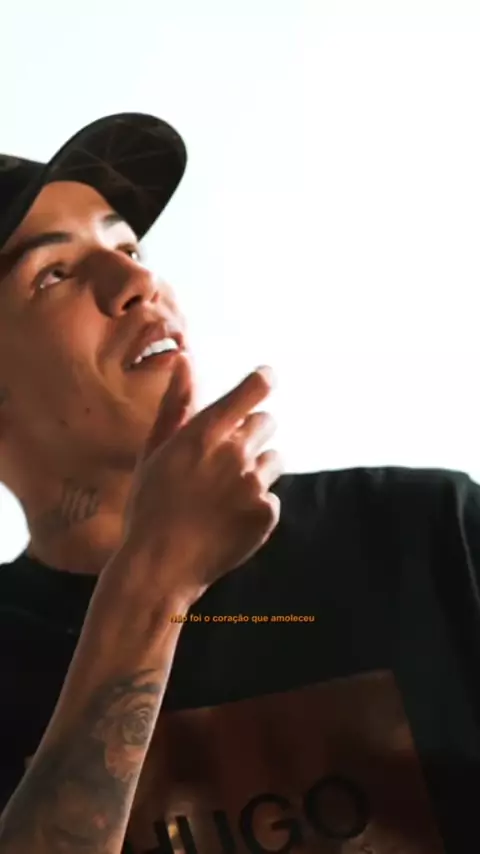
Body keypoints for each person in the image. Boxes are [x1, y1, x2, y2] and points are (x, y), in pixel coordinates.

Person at [0, 113, 478, 854]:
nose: (138, 282)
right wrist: (154, 580)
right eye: (53, 274)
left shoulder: (429, 533)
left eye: (127, 248)